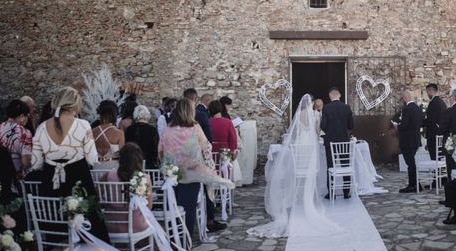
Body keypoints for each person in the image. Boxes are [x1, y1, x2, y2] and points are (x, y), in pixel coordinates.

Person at [247, 94, 342, 238]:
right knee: (312, 168)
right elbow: (317, 132)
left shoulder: (298, 115)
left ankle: (297, 194)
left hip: (300, 144)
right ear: (310, 103)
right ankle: (311, 194)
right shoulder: (315, 115)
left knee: (300, 168)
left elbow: (295, 132)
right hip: (310, 145)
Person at [31, 87, 112, 245]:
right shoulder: (83, 125)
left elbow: (36, 164)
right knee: (89, 221)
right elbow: (92, 159)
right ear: (75, 105)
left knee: (55, 218)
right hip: (78, 180)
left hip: (51, 182)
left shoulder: (41, 128)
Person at [158, 98, 233, 236]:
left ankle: (174, 237)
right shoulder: (195, 128)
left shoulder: (168, 130)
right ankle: (186, 239)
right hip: (191, 174)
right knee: (188, 208)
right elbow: (206, 148)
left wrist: (170, 164)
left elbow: (161, 152)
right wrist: (209, 167)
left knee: (173, 207)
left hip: (172, 175)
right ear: (190, 112)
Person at [101, 143, 153, 234]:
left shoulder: (108, 175)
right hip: (136, 224)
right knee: (149, 223)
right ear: (139, 159)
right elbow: (149, 206)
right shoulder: (145, 178)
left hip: (112, 224)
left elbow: (98, 199)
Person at [320, 87, 354, 199]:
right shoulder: (347, 107)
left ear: (330, 96)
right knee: (345, 165)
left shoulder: (327, 108)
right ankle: (346, 192)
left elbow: (323, 126)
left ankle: (331, 193)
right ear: (339, 95)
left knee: (330, 166)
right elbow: (351, 125)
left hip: (330, 142)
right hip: (344, 141)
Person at [397, 90, 424, 193]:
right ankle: (416, 184)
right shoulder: (417, 108)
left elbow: (404, 125)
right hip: (416, 139)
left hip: (407, 140)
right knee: (411, 162)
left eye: (402, 98)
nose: (402, 101)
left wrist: (397, 126)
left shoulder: (407, 109)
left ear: (405, 98)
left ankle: (413, 185)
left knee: (410, 163)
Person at [0, 99, 33, 179]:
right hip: (16, 179)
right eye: (27, 116)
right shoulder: (24, 132)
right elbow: (26, 162)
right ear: (22, 116)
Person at [92, 100, 125, 168]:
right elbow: (123, 155)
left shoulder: (93, 132)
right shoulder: (119, 133)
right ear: (114, 114)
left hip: (96, 168)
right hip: (113, 169)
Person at [424, 83, 447, 161]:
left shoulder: (433, 103)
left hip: (433, 134)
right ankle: (439, 171)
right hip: (441, 133)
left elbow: (431, 120)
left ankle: (436, 171)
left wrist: (420, 123)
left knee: (434, 155)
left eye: (427, 92)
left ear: (431, 91)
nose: (427, 94)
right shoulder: (442, 102)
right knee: (440, 155)